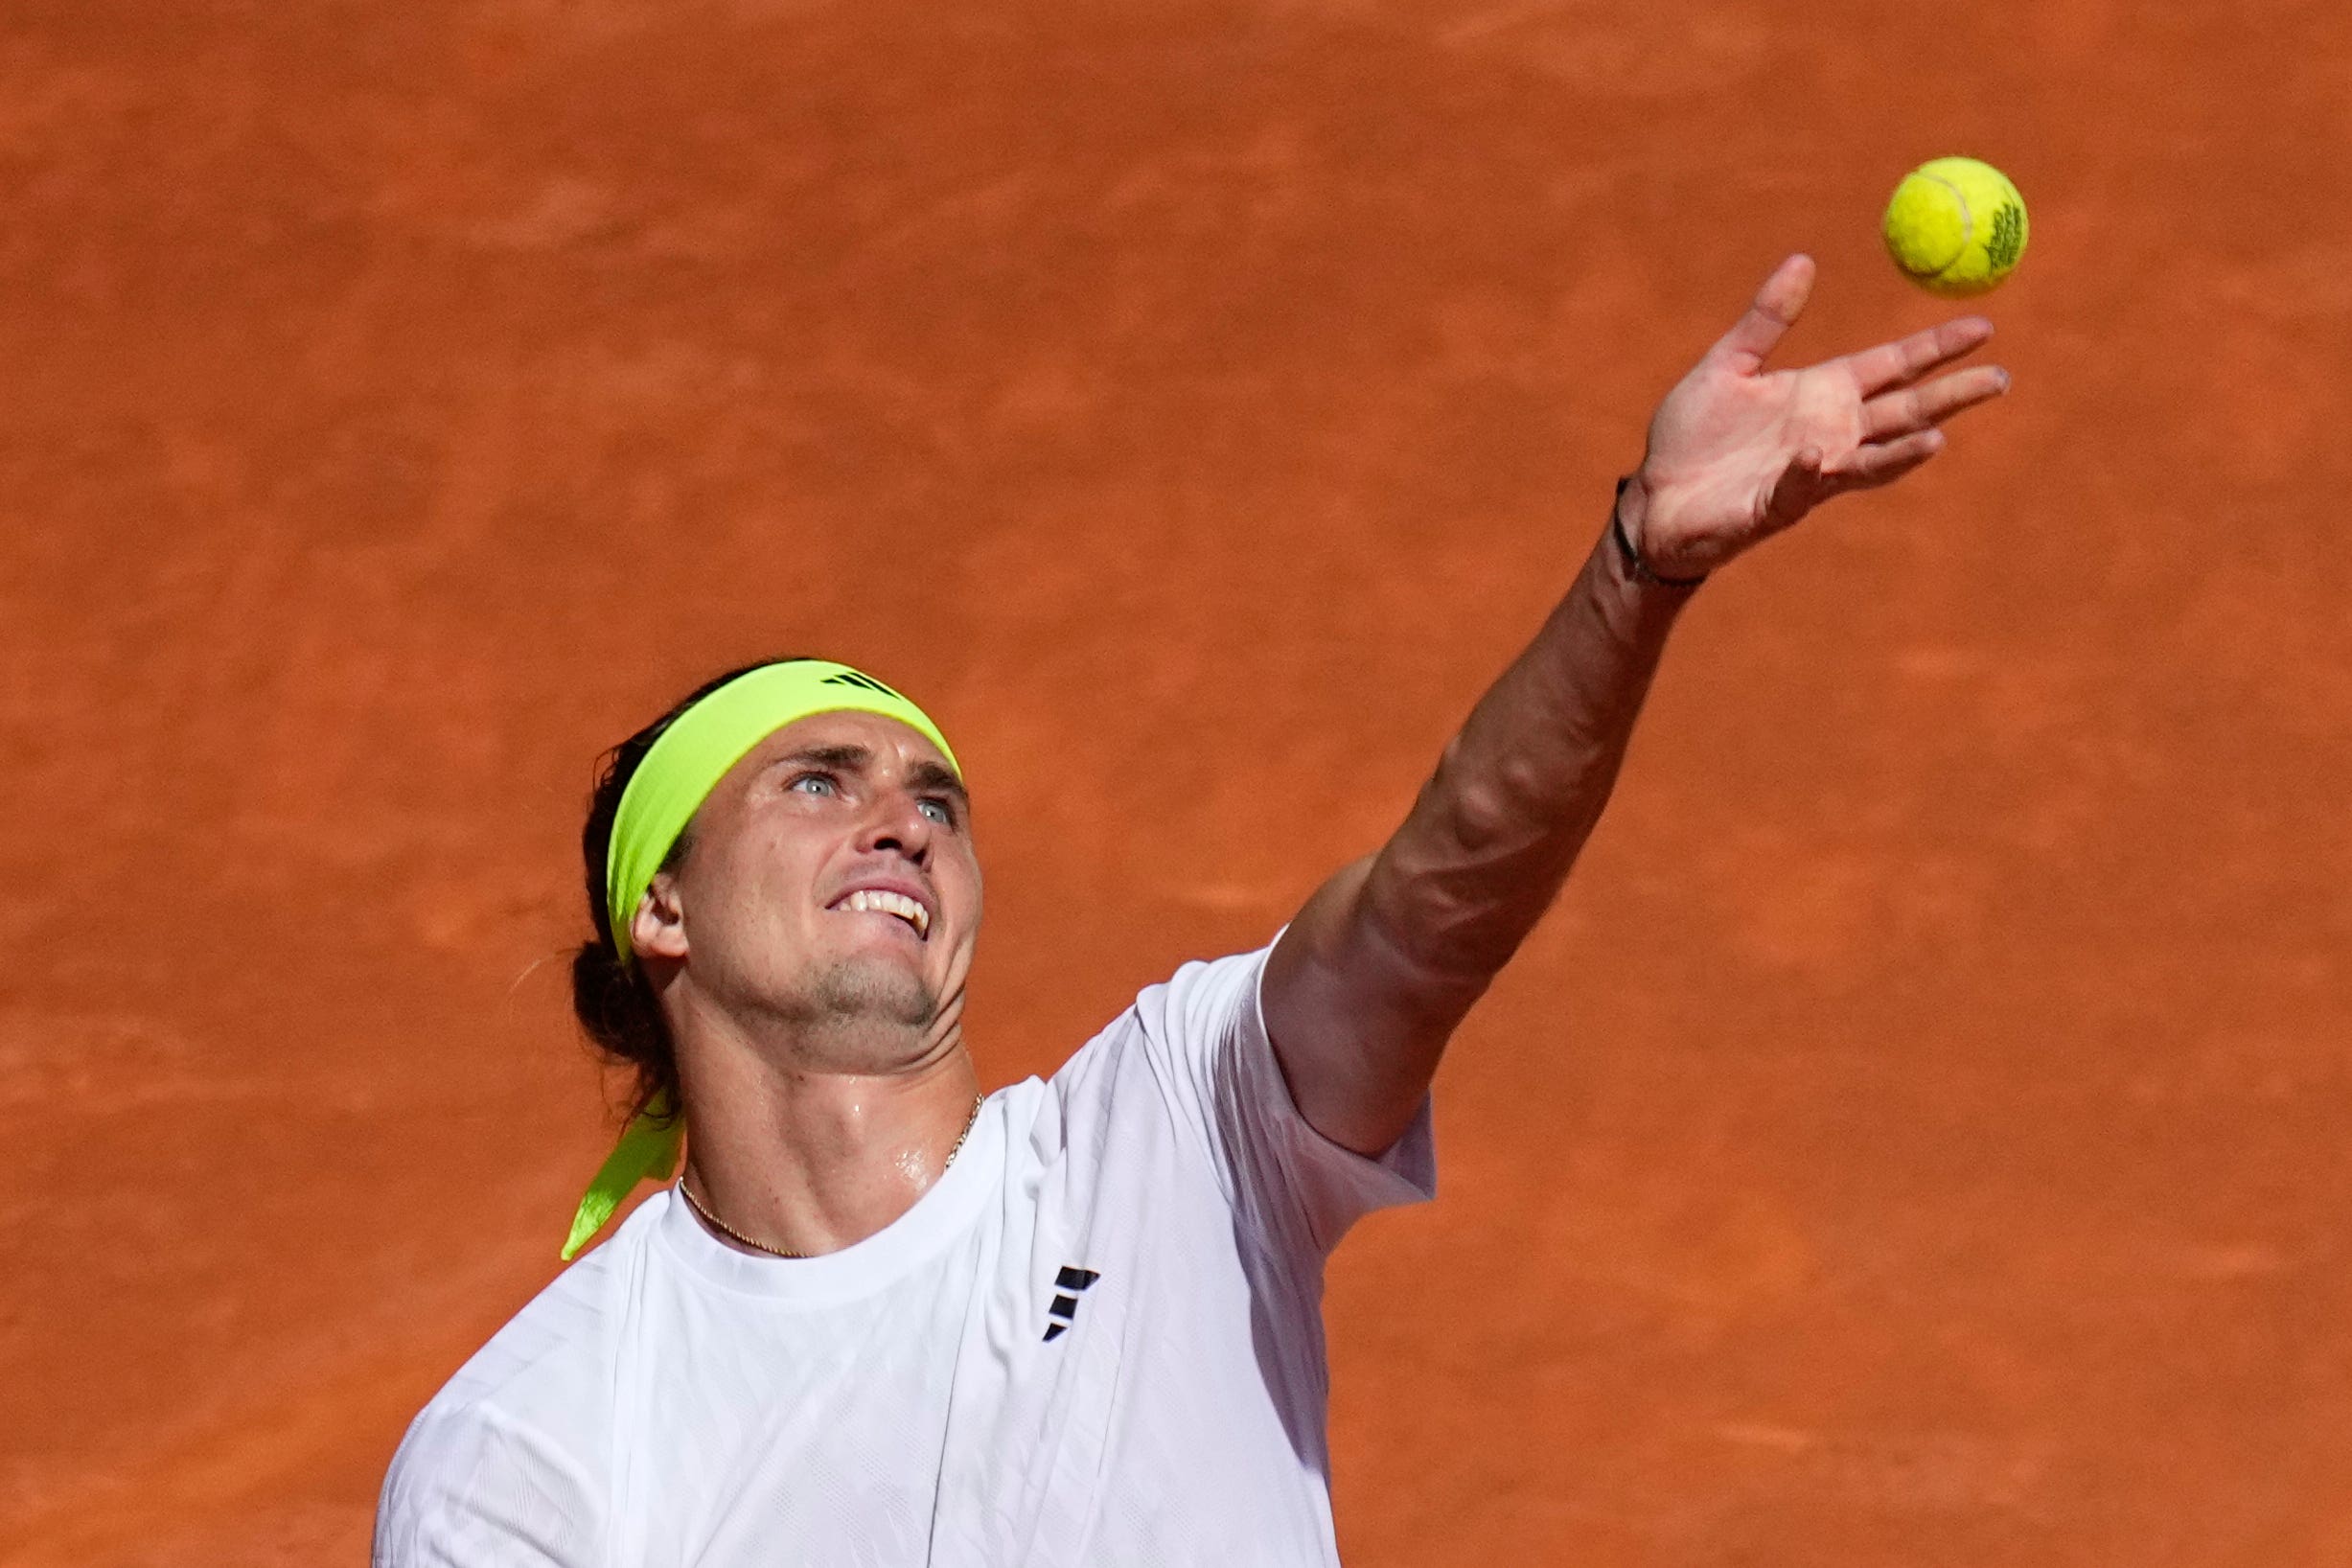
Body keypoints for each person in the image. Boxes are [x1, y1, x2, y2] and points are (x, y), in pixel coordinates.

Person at [374, 255, 2007, 1566]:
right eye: (816, 782)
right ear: (659, 907)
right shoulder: (535, 1446)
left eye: (934, 796)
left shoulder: (1174, 1134)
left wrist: (1636, 567)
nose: (901, 822)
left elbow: (1445, 883)